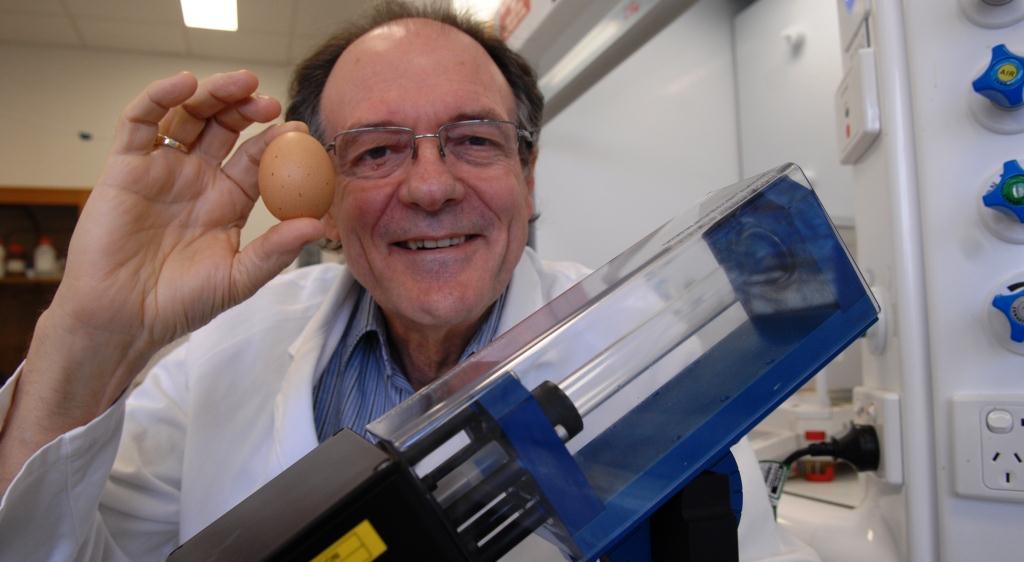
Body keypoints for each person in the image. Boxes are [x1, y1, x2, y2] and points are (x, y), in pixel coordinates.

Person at [0, 1, 818, 560]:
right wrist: (92, 330)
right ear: (322, 193)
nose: (430, 188)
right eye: (379, 150)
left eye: (473, 140)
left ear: (527, 176)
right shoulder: (224, 355)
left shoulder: (651, 353)